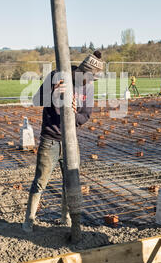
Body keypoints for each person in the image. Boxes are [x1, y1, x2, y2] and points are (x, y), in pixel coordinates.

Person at [22, 50, 104, 240]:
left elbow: (86, 115)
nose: (89, 83)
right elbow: (36, 100)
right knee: (40, 182)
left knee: (70, 183)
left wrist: (74, 115)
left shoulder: (89, 87)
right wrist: (52, 94)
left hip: (71, 142)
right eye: (88, 78)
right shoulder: (57, 77)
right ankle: (29, 221)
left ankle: (65, 218)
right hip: (50, 139)